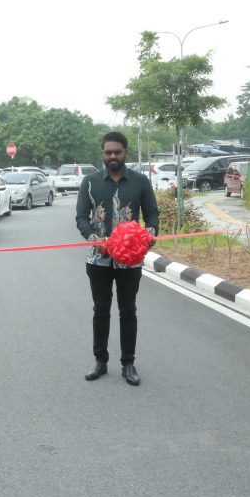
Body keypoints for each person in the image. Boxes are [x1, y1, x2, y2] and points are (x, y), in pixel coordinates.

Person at [75, 131, 159, 386]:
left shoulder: (140, 181)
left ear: (125, 153)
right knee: (100, 309)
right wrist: (94, 238)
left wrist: (148, 237)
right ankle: (100, 360)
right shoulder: (89, 182)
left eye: (117, 152)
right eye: (108, 152)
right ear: (102, 154)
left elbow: (152, 216)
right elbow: (81, 217)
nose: (113, 156)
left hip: (129, 260)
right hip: (98, 259)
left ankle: (128, 362)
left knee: (128, 309)